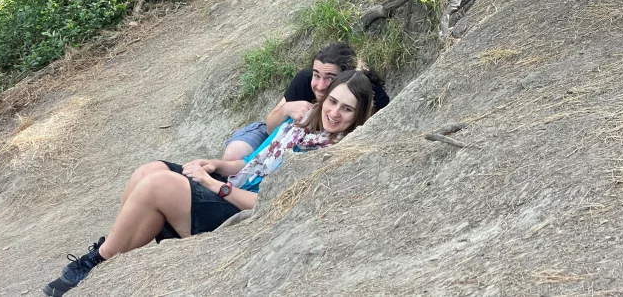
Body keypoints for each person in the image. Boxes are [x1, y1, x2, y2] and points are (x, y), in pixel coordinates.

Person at [43, 70, 375, 297]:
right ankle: (116, 241)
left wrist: (215, 185)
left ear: (357, 116)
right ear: (324, 97)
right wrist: (215, 165)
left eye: (347, 110)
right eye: (333, 101)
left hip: (241, 210)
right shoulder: (300, 124)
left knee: (159, 184)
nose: (334, 112)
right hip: (232, 186)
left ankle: (96, 261)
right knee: (150, 169)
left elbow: (274, 202)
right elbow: (248, 163)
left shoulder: (330, 151)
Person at [222, 42, 389, 160]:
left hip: (310, 145)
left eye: (330, 78)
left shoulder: (373, 98)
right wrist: (286, 109)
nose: (320, 86)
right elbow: (270, 126)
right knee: (233, 155)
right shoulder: (304, 81)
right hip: (279, 133)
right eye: (316, 75)